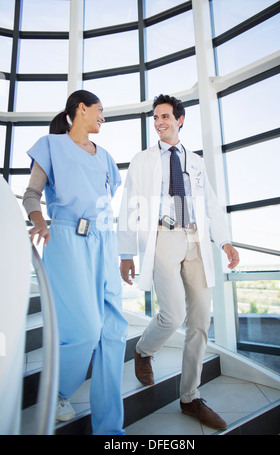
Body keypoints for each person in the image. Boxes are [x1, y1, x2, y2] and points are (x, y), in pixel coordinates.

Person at [117, 94, 239, 431]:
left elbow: (212, 204)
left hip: (195, 239)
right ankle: (144, 350)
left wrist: (225, 240)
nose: (159, 122)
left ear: (180, 119)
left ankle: (190, 397)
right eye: (156, 117)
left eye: (166, 116)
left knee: (200, 318)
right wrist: (126, 253)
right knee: (173, 314)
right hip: (161, 238)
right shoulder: (142, 160)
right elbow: (129, 205)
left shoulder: (196, 161)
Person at [23, 90, 128, 435]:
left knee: (113, 333)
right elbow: (32, 194)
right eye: (99, 110)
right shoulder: (51, 145)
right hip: (67, 240)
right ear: (80, 109)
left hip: (104, 240)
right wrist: (39, 220)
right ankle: (58, 391)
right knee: (84, 330)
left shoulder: (106, 157)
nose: (103, 117)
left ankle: (111, 429)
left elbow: (104, 198)